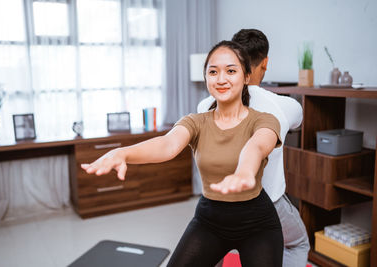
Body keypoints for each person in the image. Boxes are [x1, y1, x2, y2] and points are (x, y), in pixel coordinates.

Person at [82, 40, 284, 267]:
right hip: (210, 220)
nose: (221, 79)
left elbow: (256, 146)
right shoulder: (195, 122)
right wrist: (123, 153)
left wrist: (245, 171)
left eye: (231, 71)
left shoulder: (264, 120)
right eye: (213, 71)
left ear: (246, 76)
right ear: (206, 78)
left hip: (257, 222)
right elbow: (167, 145)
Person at [197, 29, 310, 267]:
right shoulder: (285, 106)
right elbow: (296, 125)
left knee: (211, 244)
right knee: (297, 242)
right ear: (264, 63)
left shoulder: (204, 105)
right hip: (267, 203)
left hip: (218, 200)